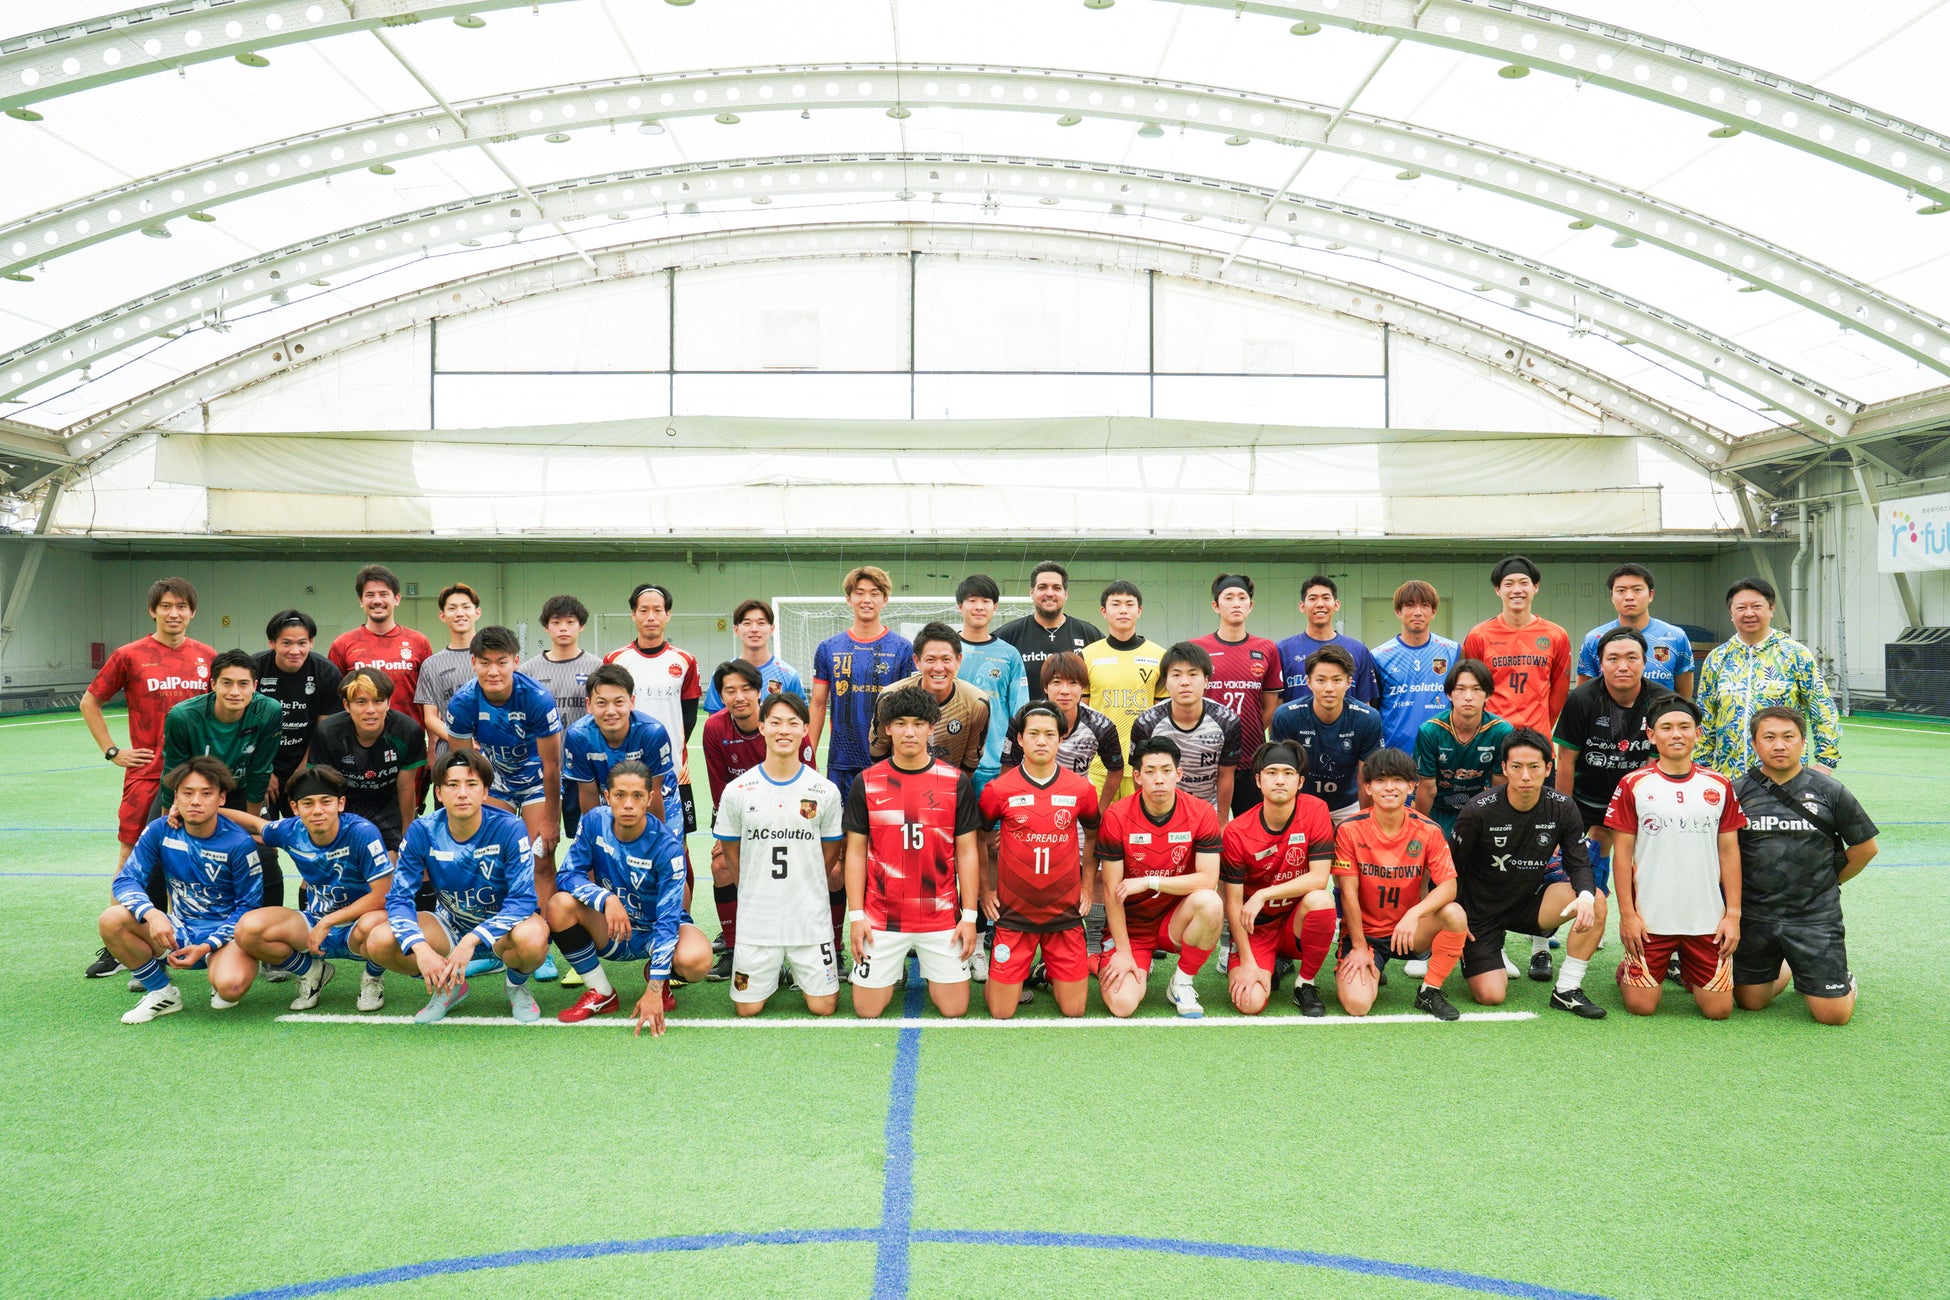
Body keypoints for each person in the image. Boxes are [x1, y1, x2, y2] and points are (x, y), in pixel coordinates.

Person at [80, 576, 213, 977]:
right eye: (166, 606)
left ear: (192, 612)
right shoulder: (129, 655)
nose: (174, 613)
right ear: (153, 610)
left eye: (182, 606)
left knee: (195, 857)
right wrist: (113, 751)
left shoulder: (207, 656)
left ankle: (200, 938)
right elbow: (90, 701)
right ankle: (117, 945)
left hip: (195, 777)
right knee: (130, 854)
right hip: (148, 774)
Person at [365, 750, 549, 1024]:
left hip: (503, 929)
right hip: (449, 925)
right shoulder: (423, 830)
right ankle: (448, 987)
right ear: (439, 793)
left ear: (485, 792)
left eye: (471, 784)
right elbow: (399, 898)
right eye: (453, 785)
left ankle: (516, 986)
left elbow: (523, 900)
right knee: (379, 942)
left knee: (534, 937)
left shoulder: (510, 828)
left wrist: (473, 939)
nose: (462, 793)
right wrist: (420, 948)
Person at [844, 686, 983, 1019]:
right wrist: (856, 916)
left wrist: (969, 917)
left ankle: (921, 966)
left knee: (954, 1009)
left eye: (919, 723)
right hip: (882, 918)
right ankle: (893, 967)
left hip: (940, 918)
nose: (910, 732)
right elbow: (855, 853)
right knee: (867, 1010)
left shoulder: (955, 782)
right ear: (887, 728)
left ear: (931, 728)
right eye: (901, 723)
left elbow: (967, 853)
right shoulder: (866, 782)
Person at [1732, 707, 1877, 1026]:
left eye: (1788, 737)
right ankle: (1791, 965)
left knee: (1833, 1016)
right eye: (1769, 737)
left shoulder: (1829, 790)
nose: (1779, 745)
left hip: (1815, 917)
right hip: (1756, 915)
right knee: (1750, 1002)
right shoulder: (1737, 791)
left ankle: (1842, 980)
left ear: (1803, 742)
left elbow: (1865, 848)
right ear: (1755, 744)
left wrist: (1830, 881)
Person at [1450, 729, 1608, 1018]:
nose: (1525, 776)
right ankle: (1479, 949)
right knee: (1491, 996)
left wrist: (1584, 896)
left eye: (1534, 767)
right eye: (1517, 767)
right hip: (1481, 912)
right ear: (1504, 768)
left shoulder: (1563, 807)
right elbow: (1453, 869)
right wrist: (1457, 919)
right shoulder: (1478, 810)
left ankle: (1567, 989)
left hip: (1529, 904)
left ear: (1548, 768)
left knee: (1595, 899)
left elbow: (1578, 863)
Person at [1606, 697, 1745, 1019]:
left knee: (1718, 1011)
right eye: (1666, 728)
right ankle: (1630, 967)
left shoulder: (1719, 785)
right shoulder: (1634, 784)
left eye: (1684, 727)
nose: (1676, 734)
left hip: (1706, 920)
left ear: (1698, 733)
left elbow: (1729, 852)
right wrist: (1628, 916)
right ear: (1651, 735)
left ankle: (1689, 968)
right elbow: (1621, 855)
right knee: (1641, 1007)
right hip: (1651, 920)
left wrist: (1733, 915)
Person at [549, 761, 713, 1034]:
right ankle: (601, 992)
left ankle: (657, 974)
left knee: (698, 960)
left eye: (637, 796)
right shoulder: (594, 821)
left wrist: (655, 988)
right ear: (607, 796)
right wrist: (606, 899)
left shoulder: (667, 847)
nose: (628, 804)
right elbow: (567, 875)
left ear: (650, 798)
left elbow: (668, 920)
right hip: (612, 926)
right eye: (620, 795)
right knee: (558, 905)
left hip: (655, 930)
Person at [99, 757, 262, 1023]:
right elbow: (125, 880)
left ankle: (222, 966)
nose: (195, 801)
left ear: (221, 799)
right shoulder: (160, 830)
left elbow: (248, 908)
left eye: (206, 794)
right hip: (180, 929)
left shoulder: (239, 843)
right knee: (111, 919)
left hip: (226, 936)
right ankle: (161, 992)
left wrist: (208, 946)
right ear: (176, 797)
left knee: (230, 988)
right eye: (187, 793)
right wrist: (152, 914)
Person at [712, 694, 846, 1018]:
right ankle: (773, 972)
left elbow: (830, 852)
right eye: (775, 722)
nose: (783, 730)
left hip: (808, 917)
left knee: (824, 1007)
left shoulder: (824, 790)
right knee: (747, 1008)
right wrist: (753, 887)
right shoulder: (738, 790)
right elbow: (731, 853)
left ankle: (794, 969)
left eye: (792, 723)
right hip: (758, 918)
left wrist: (807, 880)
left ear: (805, 729)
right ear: (761, 727)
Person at [1551, 627, 1675, 972]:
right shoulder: (1581, 699)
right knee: (1590, 852)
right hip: (1588, 797)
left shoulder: (1662, 701)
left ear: (1644, 662)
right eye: (1613, 658)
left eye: (1632, 658)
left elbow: (1657, 763)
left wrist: (1642, 809)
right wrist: (1564, 815)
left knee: (1648, 867)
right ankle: (1592, 916)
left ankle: (1663, 941)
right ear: (1600, 663)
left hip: (1641, 797)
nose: (1623, 666)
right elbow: (1566, 762)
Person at [219, 768, 393, 1013]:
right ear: (295, 807)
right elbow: (254, 823)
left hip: (359, 927)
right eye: (308, 803)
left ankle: (373, 979)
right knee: (247, 930)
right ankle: (311, 972)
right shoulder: (291, 831)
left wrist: (329, 921)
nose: (317, 810)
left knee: (382, 922)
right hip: (314, 922)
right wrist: (204, 810)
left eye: (326, 802)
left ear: (340, 803)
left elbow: (383, 894)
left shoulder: (361, 832)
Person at [978, 702, 1102, 1019]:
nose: (1041, 741)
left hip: (1064, 916)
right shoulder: (998, 790)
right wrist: (985, 890)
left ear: (1061, 738)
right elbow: (978, 838)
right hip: (1014, 916)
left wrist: (1087, 887)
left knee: (1074, 1010)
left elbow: (1093, 835)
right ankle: (1010, 974)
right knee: (1001, 1012)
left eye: (1049, 734)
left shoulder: (1081, 789)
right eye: (1033, 734)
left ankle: (1045, 971)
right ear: (1020, 739)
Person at [1329, 748, 1468, 1021]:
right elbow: (1348, 894)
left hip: (1409, 930)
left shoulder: (1429, 830)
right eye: (1380, 780)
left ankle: (1429, 991)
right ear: (1368, 787)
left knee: (1455, 914)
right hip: (1366, 934)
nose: (1389, 787)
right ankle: (1371, 965)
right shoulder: (1349, 829)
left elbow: (1448, 886)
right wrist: (1359, 946)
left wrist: (1414, 913)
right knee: (1358, 1005)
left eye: (1398, 780)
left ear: (1411, 786)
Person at [1094, 736, 1224, 1019]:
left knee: (1211, 902)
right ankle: (1106, 960)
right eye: (1150, 771)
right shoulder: (1117, 816)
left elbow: (1208, 879)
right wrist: (1124, 952)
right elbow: (1111, 892)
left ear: (1179, 774)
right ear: (1137, 777)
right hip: (1132, 928)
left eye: (1166, 770)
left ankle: (1182, 982)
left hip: (1175, 919)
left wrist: (1150, 881)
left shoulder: (1201, 812)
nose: (1159, 779)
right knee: (1122, 1005)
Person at [701, 661, 816, 981]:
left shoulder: (782, 724)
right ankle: (735, 948)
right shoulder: (714, 728)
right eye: (730, 691)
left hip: (791, 819)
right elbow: (720, 791)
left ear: (758, 691)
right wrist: (729, 836)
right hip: (746, 819)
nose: (738, 697)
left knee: (816, 870)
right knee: (721, 864)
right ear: (720, 695)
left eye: (746, 689)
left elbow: (809, 786)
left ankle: (818, 949)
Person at [152, 649, 287, 912]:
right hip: (190, 792)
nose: (235, 691)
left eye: (243, 684)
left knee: (264, 855)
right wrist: (169, 820)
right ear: (213, 684)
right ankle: (160, 926)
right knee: (158, 854)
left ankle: (269, 927)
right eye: (227, 683)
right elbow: (173, 771)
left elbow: (260, 771)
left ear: (254, 686)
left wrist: (250, 830)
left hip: (240, 792)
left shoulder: (269, 711)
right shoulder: (182, 716)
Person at [444, 626, 565, 905]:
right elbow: (464, 769)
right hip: (496, 781)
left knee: (541, 860)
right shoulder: (463, 703)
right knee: (491, 858)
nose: (493, 672)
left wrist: (551, 820)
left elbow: (552, 766)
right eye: (485, 663)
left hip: (537, 782)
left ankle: (544, 929)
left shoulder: (537, 698)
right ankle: (499, 924)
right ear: (473, 662)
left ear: (515, 662)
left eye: (501, 662)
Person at [1219, 743, 1337, 1017]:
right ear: (1258, 780)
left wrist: (1264, 894)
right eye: (1271, 772)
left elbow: (1319, 878)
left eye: (1288, 773)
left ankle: (1305, 983)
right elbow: (1233, 903)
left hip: (1295, 922)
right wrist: (1248, 962)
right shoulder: (1237, 831)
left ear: (1300, 781)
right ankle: (1266, 962)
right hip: (1256, 929)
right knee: (1249, 1003)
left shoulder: (1316, 810)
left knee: (1320, 899)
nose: (1280, 780)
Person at [1695, 577, 1841, 777]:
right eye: (1741, 608)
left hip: (1784, 777)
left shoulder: (1795, 654)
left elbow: (1822, 707)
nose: (1749, 613)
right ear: (1731, 613)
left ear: (1771, 609)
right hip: (1728, 776)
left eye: (1756, 606)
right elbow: (1706, 716)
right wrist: (1702, 767)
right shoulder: (1717, 658)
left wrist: (1825, 762)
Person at [603, 583, 703, 848]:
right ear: (633, 615)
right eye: (643, 610)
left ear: (667, 615)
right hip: (625, 768)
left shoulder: (685, 660)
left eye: (657, 610)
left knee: (676, 845)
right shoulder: (615, 659)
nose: (650, 617)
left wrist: (669, 747)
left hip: (674, 771)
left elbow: (689, 716)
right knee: (621, 841)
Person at [810, 565, 915, 799]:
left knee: (885, 822)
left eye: (874, 593)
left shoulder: (902, 649)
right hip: (841, 761)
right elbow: (817, 704)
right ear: (848, 599)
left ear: (885, 600)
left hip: (887, 760)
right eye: (859, 593)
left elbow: (908, 709)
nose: (866, 599)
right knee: (841, 822)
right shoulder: (828, 648)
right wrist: (809, 755)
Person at [307, 668, 426, 859]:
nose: (370, 710)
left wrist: (407, 834)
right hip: (345, 808)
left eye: (378, 701)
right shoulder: (328, 733)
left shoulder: (407, 731)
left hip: (389, 808)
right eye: (361, 702)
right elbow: (323, 788)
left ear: (388, 703)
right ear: (346, 705)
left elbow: (405, 787)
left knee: (400, 864)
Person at [1192, 574, 1285, 816]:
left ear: (1250, 605)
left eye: (1242, 598)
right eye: (1229, 597)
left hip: (1250, 756)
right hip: (1207, 755)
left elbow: (1271, 706)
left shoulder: (1267, 648)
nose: (1236, 603)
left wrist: (1243, 733)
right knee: (1207, 825)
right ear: (1216, 605)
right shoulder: (1198, 649)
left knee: (1251, 825)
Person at [519, 594, 606, 840]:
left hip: (584, 766)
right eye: (556, 622)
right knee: (542, 841)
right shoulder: (528, 670)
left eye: (570, 622)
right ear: (546, 627)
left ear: (581, 626)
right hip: (540, 768)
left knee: (590, 838)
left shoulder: (597, 667)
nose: (563, 628)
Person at [1268, 646, 1383, 826]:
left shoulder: (1367, 718)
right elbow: (1280, 773)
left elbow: (1366, 777)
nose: (1329, 688)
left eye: (1337, 680)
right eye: (1321, 680)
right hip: (1301, 801)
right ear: (1308, 682)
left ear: (1349, 682)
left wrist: (1364, 823)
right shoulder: (1286, 716)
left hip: (1348, 804)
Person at [1128, 641, 1242, 820]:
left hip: (1207, 810)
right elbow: (1141, 775)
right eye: (1176, 675)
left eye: (1193, 674)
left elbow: (1226, 775)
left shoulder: (1227, 721)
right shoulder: (1146, 723)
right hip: (1163, 810)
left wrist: (1221, 822)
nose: (1185, 682)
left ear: (1206, 680)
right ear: (1165, 682)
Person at [1461, 556, 1572, 735]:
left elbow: (1559, 692)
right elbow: (1471, 688)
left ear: (1536, 587)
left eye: (1524, 583)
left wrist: (1540, 728)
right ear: (1498, 590)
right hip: (1492, 736)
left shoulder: (1556, 635)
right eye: (1509, 584)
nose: (1517, 590)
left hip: (1536, 737)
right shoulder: (1479, 635)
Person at [251, 609, 343, 824]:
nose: (295, 651)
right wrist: (263, 771)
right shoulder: (254, 668)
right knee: (258, 833)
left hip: (307, 763)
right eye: (286, 643)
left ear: (311, 642)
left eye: (302, 643)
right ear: (272, 643)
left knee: (310, 831)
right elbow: (243, 726)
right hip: (261, 765)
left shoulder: (326, 672)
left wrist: (303, 771)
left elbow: (324, 732)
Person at [564, 663, 676, 833]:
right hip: (607, 796)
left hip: (658, 795)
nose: (611, 711)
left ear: (632, 702)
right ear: (589, 705)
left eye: (619, 702)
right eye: (601, 703)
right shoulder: (578, 736)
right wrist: (598, 838)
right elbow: (588, 794)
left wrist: (655, 839)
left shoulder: (653, 733)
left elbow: (654, 791)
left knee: (663, 844)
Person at [1082, 580, 1165, 802]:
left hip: (1142, 765)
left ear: (1139, 611)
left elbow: (1162, 715)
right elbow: (1082, 713)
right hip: (1098, 766)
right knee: (1096, 822)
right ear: (1104, 611)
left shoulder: (1159, 656)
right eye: (1116, 604)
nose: (1123, 610)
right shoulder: (1087, 655)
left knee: (1136, 823)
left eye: (1129, 604)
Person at [870, 622, 990, 775]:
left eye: (946, 659)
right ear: (916, 661)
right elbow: (879, 748)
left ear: (958, 660)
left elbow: (971, 758)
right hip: (900, 781)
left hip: (950, 783)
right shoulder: (891, 696)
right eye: (930, 659)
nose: (938, 668)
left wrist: (956, 787)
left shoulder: (976, 703)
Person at [1413, 658, 1513, 835]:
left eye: (1476, 689)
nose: (1468, 697)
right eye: (1460, 689)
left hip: (1480, 806)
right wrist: (1420, 829)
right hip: (1438, 807)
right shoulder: (1430, 731)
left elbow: (1500, 787)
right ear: (1449, 694)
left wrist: (1496, 825)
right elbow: (1427, 789)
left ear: (1488, 694)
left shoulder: (1501, 731)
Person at [954, 574, 1030, 801]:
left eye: (985, 601)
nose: (979, 607)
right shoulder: (945, 651)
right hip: (951, 761)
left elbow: (1020, 710)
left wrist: (1013, 757)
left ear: (995, 607)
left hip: (995, 762)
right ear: (960, 606)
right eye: (972, 600)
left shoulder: (1009, 654)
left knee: (993, 824)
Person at [327, 564, 433, 721]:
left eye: (384, 594)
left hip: (408, 734)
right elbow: (333, 700)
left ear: (397, 599)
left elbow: (431, 699)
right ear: (361, 600)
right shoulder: (342, 644)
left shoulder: (419, 642)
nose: (377, 601)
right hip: (358, 734)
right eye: (370, 595)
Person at [1575, 564, 1696, 696]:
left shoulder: (1676, 637)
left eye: (1637, 590)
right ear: (1612, 597)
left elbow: (1683, 695)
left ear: (1650, 595)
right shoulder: (1594, 638)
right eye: (1621, 590)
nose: (1629, 597)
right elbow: (1583, 695)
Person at [1370, 580, 1460, 753]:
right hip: (1393, 753)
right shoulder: (1379, 656)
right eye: (1410, 605)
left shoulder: (1453, 651)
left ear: (1434, 612)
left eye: (1425, 605)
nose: (1418, 612)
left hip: (1442, 751)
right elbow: (1373, 710)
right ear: (1398, 611)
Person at [994, 560, 1103, 702]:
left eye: (1056, 588)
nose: (1050, 593)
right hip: (1024, 716)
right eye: (1042, 587)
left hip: (1075, 717)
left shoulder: (1089, 635)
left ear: (1065, 594)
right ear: (1031, 592)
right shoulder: (1007, 636)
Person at [1277, 575, 1380, 708]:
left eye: (1326, 598)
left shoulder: (1358, 650)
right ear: (1302, 606)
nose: (1320, 604)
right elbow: (1276, 706)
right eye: (1313, 598)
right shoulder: (1283, 650)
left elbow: (1365, 705)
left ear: (1336, 605)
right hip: (1296, 722)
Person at [414, 581, 483, 763]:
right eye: (452, 608)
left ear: (477, 613)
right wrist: (461, 740)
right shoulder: (431, 665)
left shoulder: (494, 658)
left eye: (466, 607)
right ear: (442, 616)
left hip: (494, 753)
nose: (459, 613)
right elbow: (430, 718)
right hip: (450, 755)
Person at [701, 598, 806, 712]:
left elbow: (800, 717)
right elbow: (715, 720)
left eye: (761, 623)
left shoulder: (789, 675)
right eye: (747, 623)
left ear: (772, 629)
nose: (754, 629)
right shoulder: (722, 674)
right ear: (736, 630)